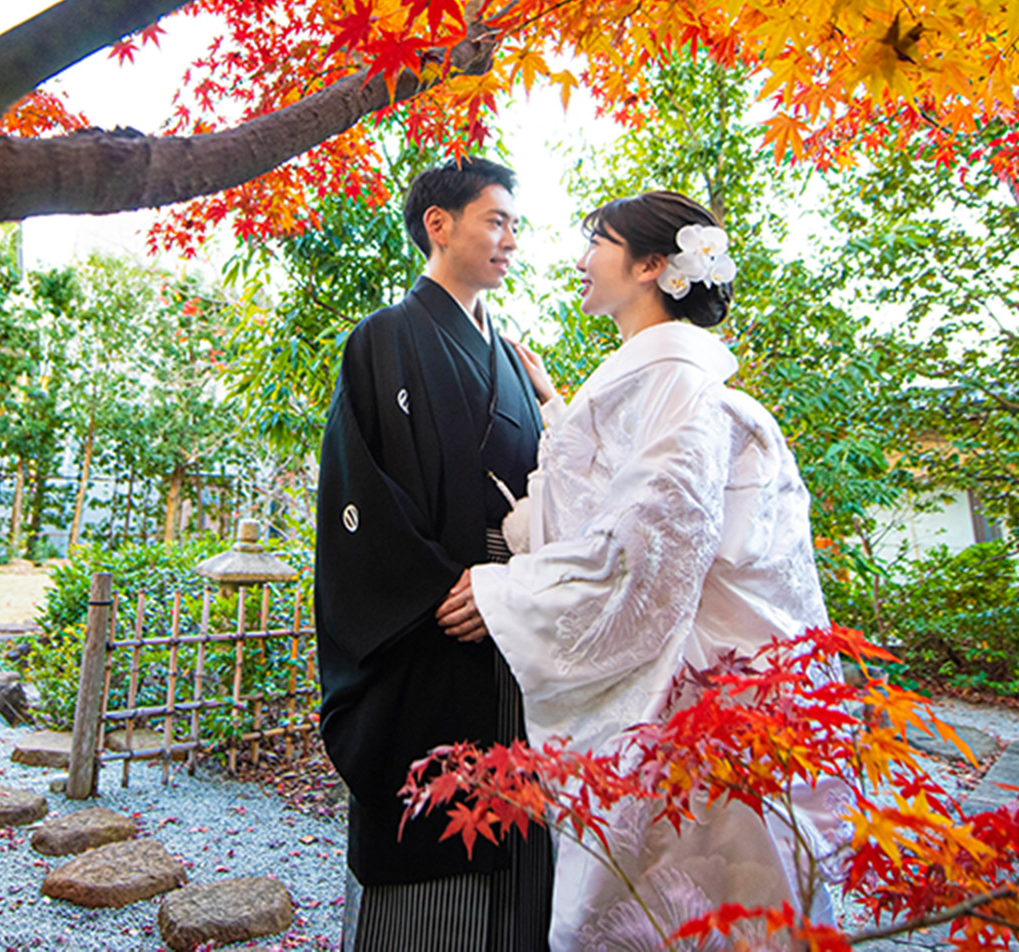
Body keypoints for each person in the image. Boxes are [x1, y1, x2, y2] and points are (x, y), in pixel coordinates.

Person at [436, 190, 845, 952]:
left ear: (652, 265)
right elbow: (611, 499)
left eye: (599, 241)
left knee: (683, 911)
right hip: (709, 701)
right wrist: (556, 408)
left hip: (692, 703)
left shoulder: (680, 385)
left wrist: (503, 592)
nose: (581, 258)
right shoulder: (663, 378)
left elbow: (645, 551)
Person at [314, 157, 553, 952]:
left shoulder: (513, 360)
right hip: (430, 621)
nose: (511, 240)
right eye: (497, 221)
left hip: (508, 620)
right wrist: (445, 590)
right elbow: (357, 495)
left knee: (514, 821)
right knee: (435, 814)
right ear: (439, 225)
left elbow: (551, 491)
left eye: (515, 225)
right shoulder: (384, 338)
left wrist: (508, 593)